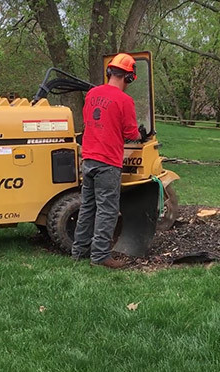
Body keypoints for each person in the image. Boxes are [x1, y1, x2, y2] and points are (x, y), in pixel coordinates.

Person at [71, 53, 147, 269]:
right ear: (129, 77)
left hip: (89, 159)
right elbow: (131, 132)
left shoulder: (92, 94)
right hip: (108, 161)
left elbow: (91, 121)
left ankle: (79, 252)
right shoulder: (124, 100)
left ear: (109, 72)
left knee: (88, 207)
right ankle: (100, 256)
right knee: (108, 209)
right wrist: (140, 134)